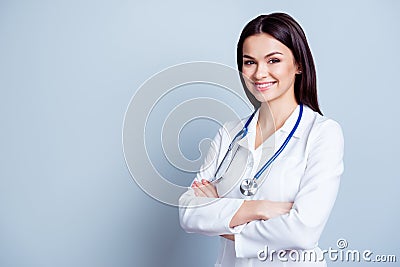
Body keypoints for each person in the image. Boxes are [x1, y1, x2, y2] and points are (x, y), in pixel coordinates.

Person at [179, 12, 344, 267]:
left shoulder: (322, 133)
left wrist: (221, 210)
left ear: (299, 65)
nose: (259, 73)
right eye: (249, 62)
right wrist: (259, 208)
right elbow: (189, 212)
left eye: (273, 60)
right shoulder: (229, 132)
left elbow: (302, 232)